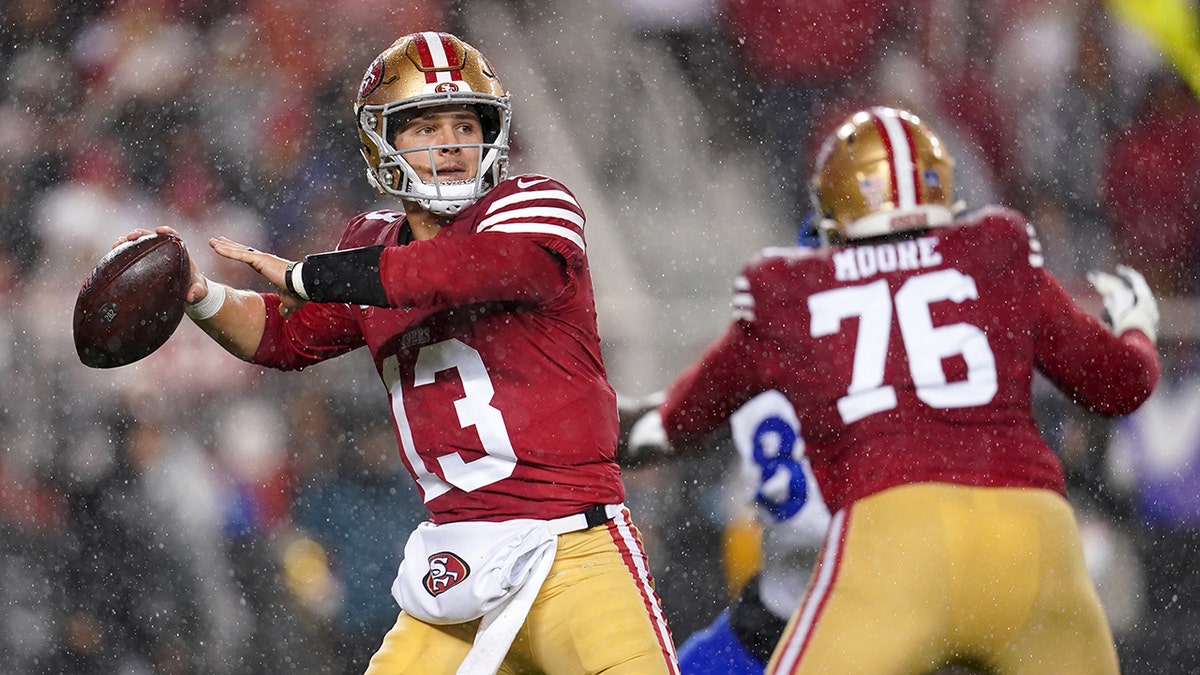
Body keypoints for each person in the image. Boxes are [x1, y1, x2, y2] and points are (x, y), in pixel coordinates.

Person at [116, 31, 678, 675]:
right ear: (381, 143)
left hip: (575, 555)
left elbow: (464, 268)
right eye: (424, 127)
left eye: (465, 123)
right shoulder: (370, 250)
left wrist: (314, 275)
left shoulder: (534, 205)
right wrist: (197, 293)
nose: (449, 144)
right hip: (453, 571)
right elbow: (283, 335)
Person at [628, 106, 1161, 673]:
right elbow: (1122, 385)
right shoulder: (996, 250)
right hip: (1033, 539)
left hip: (889, 548)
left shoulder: (790, 295)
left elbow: (669, 426)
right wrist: (1136, 328)